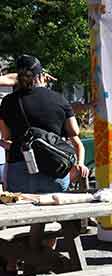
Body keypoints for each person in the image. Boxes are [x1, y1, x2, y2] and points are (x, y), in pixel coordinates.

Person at [0, 54, 88, 193]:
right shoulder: (59, 99)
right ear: (40, 75)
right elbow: (74, 131)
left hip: (19, 171)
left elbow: (6, 137)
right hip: (54, 171)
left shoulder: (8, 102)